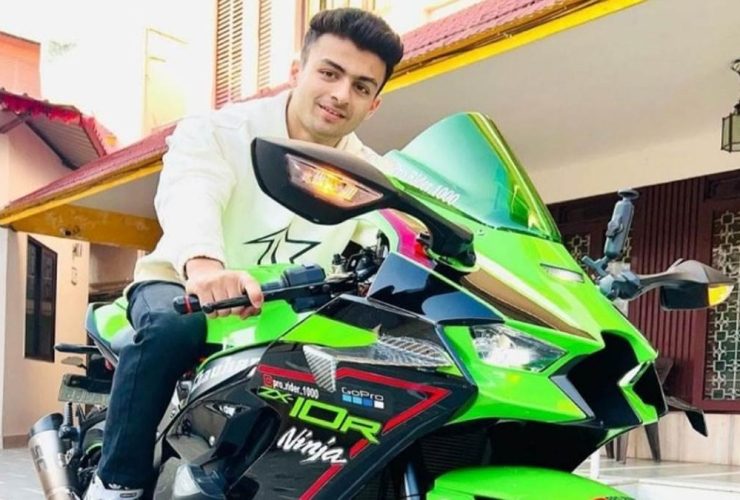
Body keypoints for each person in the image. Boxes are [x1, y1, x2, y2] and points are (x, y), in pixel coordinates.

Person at [86, 8, 403, 499]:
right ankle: (116, 484)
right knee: (173, 328)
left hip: (289, 312)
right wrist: (205, 266)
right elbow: (193, 190)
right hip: (182, 284)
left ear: (375, 104)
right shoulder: (221, 130)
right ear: (297, 71)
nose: (342, 94)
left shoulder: (374, 175)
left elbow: (404, 232)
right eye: (329, 73)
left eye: (361, 86)